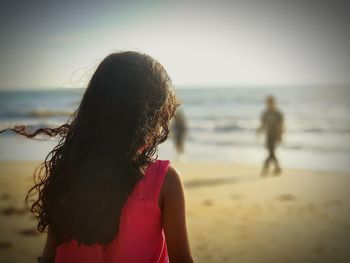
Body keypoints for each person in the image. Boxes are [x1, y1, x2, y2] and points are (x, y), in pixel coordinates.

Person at [2, 52, 193, 263]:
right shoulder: (165, 182)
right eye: (161, 116)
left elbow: (49, 258)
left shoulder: (69, 171)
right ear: (148, 118)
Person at [257, 95, 284, 176]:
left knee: (271, 152)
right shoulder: (265, 113)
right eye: (267, 103)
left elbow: (280, 125)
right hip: (268, 135)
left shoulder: (278, 113)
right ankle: (277, 168)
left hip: (275, 136)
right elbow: (263, 124)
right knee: (271, 152)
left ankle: (266, 167)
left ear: (274, 103)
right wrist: (259, 130)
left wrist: (280, 136)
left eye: (270, 102)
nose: (269, 104)